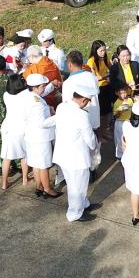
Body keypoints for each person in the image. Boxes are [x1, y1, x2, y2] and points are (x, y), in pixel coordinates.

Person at [45, 83, 100, 222]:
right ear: (83, 100)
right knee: (78, 186)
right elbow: (90, 139)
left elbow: (52, 121)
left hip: (63, 155)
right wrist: (95, 147)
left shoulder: (62, 106)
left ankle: (84, 204)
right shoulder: (82, 115)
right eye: (88, 101)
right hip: (76, 158)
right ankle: (75, 213)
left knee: (74, 184)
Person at [23, 73, 59, 198]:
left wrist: (51, 85)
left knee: (36, 163)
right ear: (35, 87)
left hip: (31, 136)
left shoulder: (28, 95)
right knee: (43, 165)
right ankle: (47, 189)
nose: (44, 88)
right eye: (42, 86)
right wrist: (57, 116)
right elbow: (43, 123)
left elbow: (41, 94)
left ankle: (39, 186)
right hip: (41, 138)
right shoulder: (37, 103)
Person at [0, 74, 30, 189]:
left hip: (7, 128)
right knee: (24, 155)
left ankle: (4, 183)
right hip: (21, 129)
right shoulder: (26, 95)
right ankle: (25, 179)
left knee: (7, 157)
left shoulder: (6, 95)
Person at [63, 50, 101, 135]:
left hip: (79, 125)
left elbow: (66, 104)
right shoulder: (92, 77)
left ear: (69, 65)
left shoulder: (68, 83)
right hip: (94, 120)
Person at [87, 39, 111, 135]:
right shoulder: (91, 61)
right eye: (101, 51)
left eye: (104, 50)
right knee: (100, 114)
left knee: (107, 112)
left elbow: (111, 67)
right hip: (99, 89)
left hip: (107, 86)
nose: (103, 52)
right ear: (95, 50)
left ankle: (104, 131)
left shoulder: (105, 58)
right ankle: (100, 134)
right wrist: (106, 75)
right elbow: (94, 78)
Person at [112, 85, 134, 159]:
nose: (124, 95)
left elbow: (132, 111)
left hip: (128, 122)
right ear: (117, 93)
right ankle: (120, 155)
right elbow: (116, 116)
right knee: (119, 139)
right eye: (121, 93)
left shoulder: (130, 100)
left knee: (128, 138)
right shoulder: (117, 103)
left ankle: (128, 153)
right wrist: (120, 110)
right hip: (120, 122)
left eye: (125, 92)